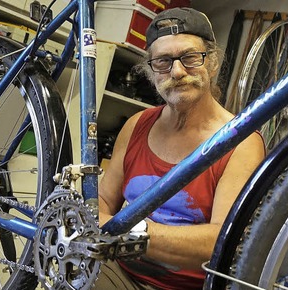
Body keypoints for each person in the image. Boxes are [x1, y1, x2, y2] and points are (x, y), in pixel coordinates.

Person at [95, 7, 265, 290]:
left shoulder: (241, 141)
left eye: (189, 57)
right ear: (151, 72)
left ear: (212, 62)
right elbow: (101, 201)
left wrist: (127, 232)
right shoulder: (136, 126)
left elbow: (220, 241)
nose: (177, 71)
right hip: (120, 272)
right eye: (162, 61)